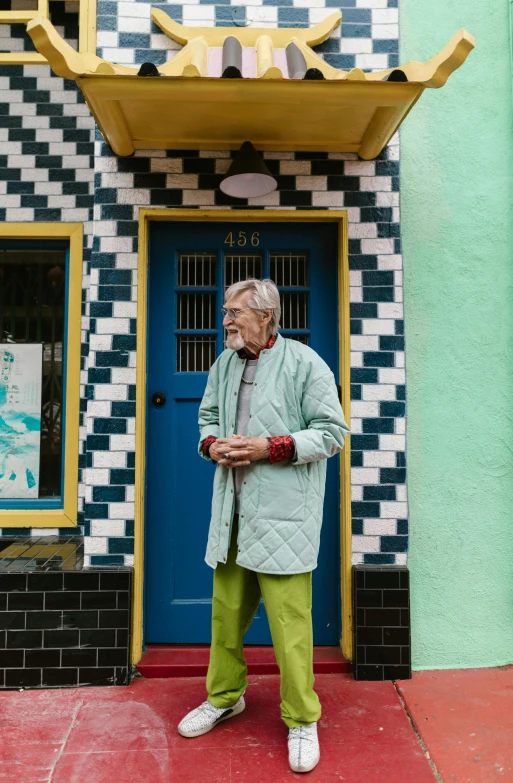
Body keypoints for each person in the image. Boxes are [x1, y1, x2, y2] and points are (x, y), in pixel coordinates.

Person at [178, 278, 350, 773]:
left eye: (235, 312)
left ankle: (301, 718)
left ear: (267, 315)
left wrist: (267, 447)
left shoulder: (304, 363)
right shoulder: (224, 363)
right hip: (231, 511)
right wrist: (212, 445)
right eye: (226, 311)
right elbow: (207, 415)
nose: (226, 320)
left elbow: (332, 433)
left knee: (290, 626)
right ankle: (225, 696)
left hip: (283, 517)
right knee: (225, 615)